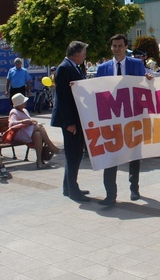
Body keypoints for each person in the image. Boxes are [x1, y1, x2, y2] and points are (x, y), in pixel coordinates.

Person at [95, 34, 153, 205]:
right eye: (114, 46)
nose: (117, 49)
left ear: (126, 47)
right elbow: (97, 91)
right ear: (111, 47)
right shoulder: (102, 68)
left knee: (134, 154)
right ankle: (110, 194)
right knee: (110, 154)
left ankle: (134, 188)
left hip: (132, 116)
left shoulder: (136, 64)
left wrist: (148, 79)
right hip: (111, 118)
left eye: (120, 46)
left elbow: (142, 87)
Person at [51, 41, 91, 202]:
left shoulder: (74, 67)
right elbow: (63, 99)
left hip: (76, 118)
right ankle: (73, 191)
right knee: (74, 154)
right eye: (83, 53)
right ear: (76, 55)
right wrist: (69, 123)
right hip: (70, 121)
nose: (85, 56)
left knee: (74, 154)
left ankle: (69, 187)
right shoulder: (63, 69)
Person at [8, 93, 62, 169]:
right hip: (19, 133)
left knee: (37, 134)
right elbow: (11, 124)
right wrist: (23, 121)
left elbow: (29, 121)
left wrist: (31, 121)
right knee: (39, 126)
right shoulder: (14, 111)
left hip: (27, 132)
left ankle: (39, 161)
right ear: (19, 103)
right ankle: (51, 146)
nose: (25, 103)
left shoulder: (25, 110)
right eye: (24, 102)